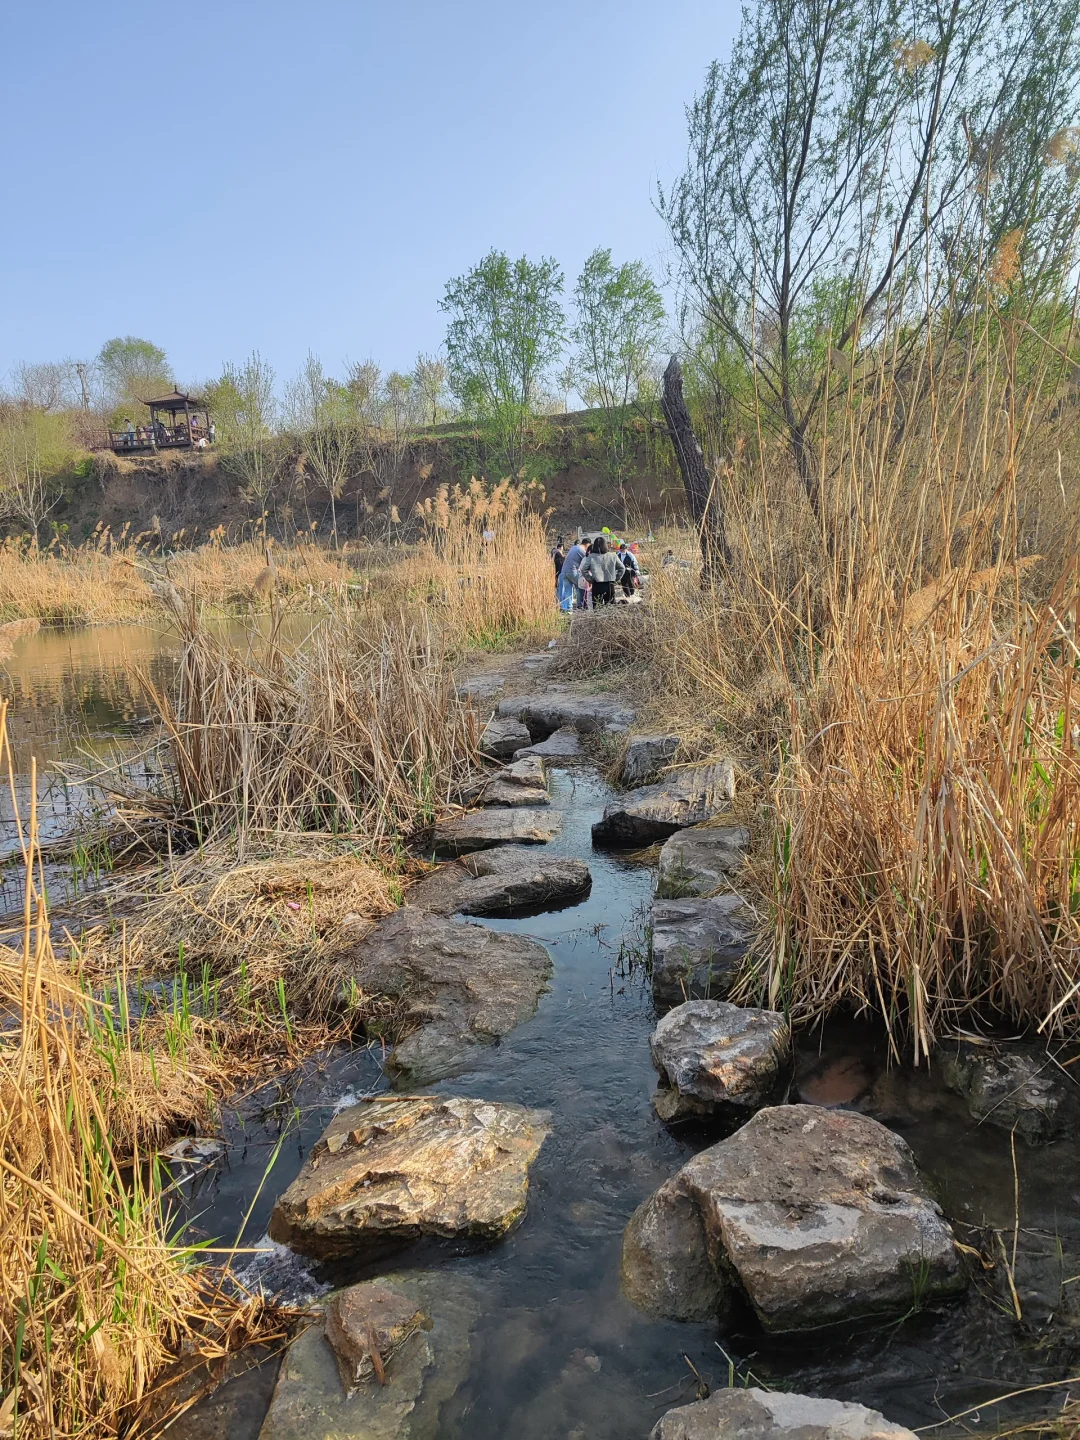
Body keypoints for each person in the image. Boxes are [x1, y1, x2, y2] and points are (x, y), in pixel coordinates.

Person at [580, 535, 624, 607]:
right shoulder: (613, 556)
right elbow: (622, 568)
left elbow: (583, 569)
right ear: (605, 545)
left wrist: (590, 579)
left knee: (597, 607)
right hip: (610, 584)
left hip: (597, 584)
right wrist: (616, 578)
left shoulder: (592, 556)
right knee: (610, 607)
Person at [558, 537, 589, 611]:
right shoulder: (581, 550)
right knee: (579, 586)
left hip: (564, 571)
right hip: (572, 571)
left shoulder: (574, 547)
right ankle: (580, 605)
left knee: (568, 590)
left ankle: (568, 608)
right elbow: (587, 560)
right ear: (587, 544)